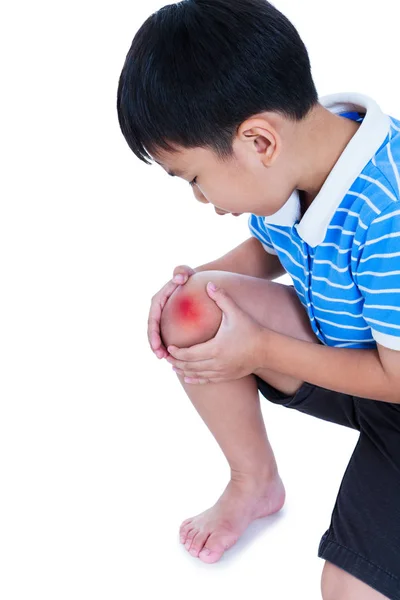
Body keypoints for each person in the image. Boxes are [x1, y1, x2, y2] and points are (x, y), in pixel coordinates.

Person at [117, 1, 400, 598]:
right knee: (192, 311)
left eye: (193, 177)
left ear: (258, 141)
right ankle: (254, 482)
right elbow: (273, 247)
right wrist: (191, 286)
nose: (198, 197)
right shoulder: (300, 158)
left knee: (349, 592)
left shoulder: (389, 212)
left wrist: (261, 348)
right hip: (348, 355)